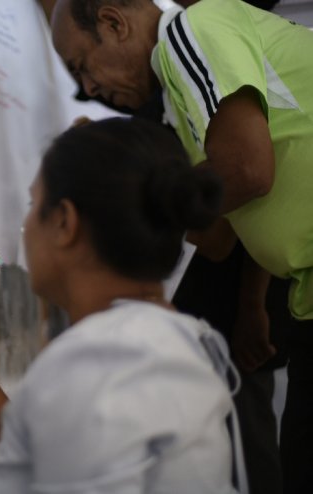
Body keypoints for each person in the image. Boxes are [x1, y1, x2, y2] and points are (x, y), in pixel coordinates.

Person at [50, 1, 313, 491]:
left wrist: (120, 194)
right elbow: (216, 238)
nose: (88, 90)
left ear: (113, 21)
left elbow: (249, 169)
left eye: (82, 66)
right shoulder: (183, 102)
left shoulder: (193, 29)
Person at [0, 117, 244, 492]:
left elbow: (11, 449)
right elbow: (13, 446)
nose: (25, 223)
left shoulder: (102, 363)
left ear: (64, 223)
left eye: (33, 204)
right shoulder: (176, 339)